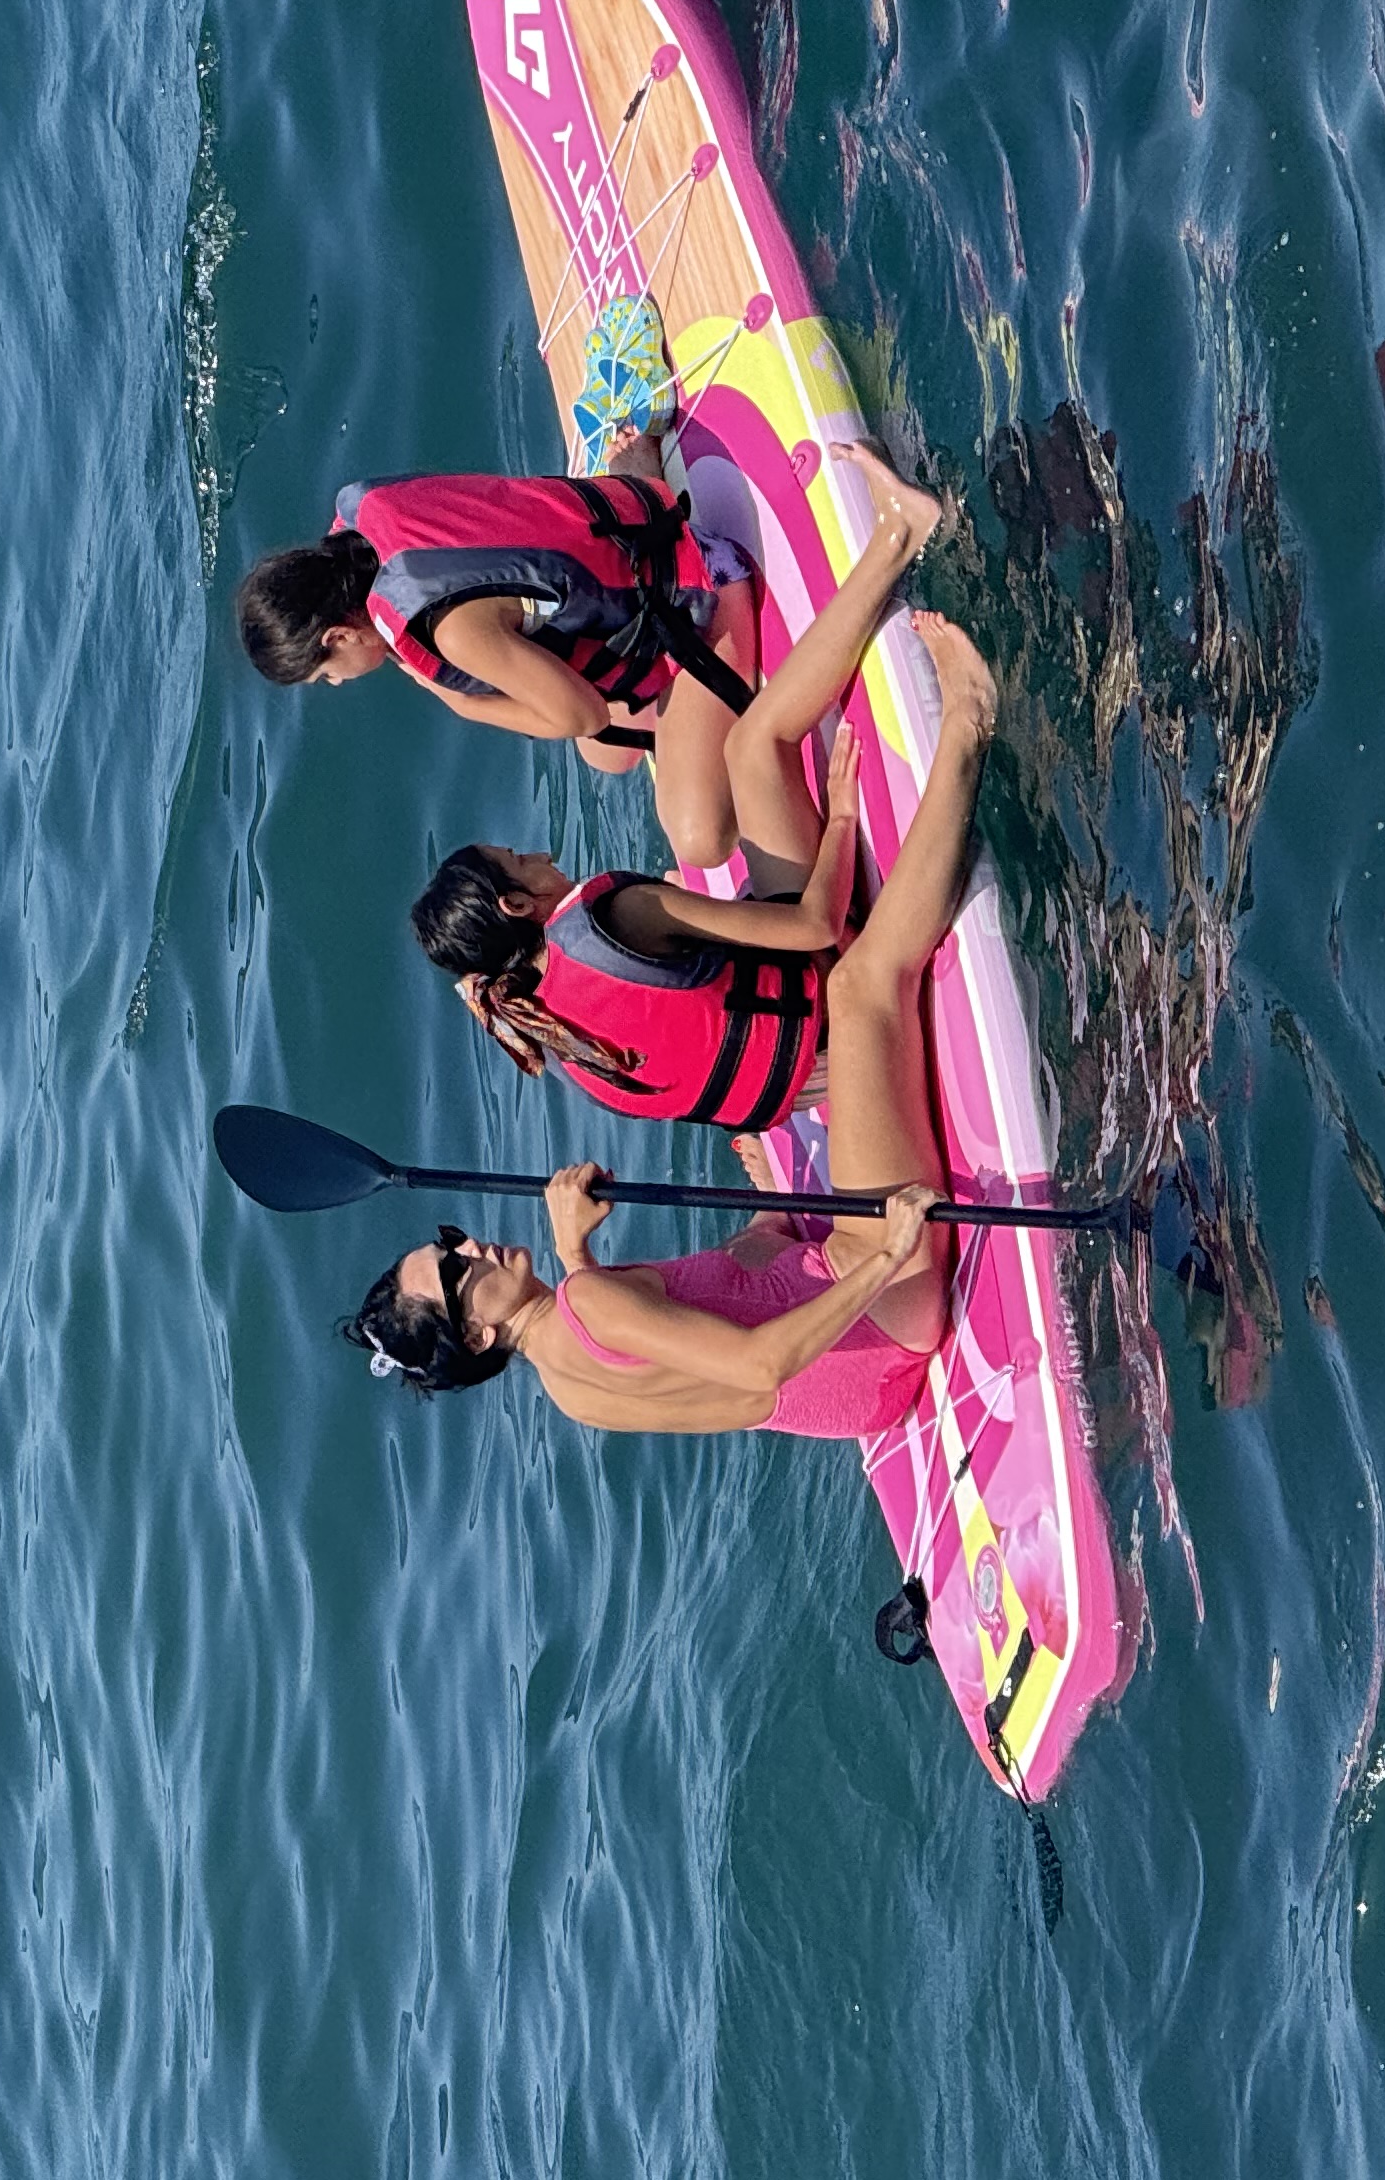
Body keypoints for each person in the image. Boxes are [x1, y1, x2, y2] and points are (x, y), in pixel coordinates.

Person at [335, 611, 998, 1438]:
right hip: (882, 1314)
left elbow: (709, 1340)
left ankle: (808, 1224)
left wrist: (763, 1212)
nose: (469, 1246)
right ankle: (971, 719)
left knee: (749, 1253)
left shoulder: (570, 1387)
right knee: (865, 989)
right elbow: (761, 1364)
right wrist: (893, 1250)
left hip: (854, 1402)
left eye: (448, 1241)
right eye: (453, 1268)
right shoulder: (586, 1302)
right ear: (475, 1335)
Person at [404, 444, 944, 1124]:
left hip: (835, 1077)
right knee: (755, 747)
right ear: (515, 904)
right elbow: (812, 925)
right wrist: (838, 820)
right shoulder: (616, 916)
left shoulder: (556, 1034)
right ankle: (899, 536)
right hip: (842, 992)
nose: (538, 855)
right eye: (519, 861)